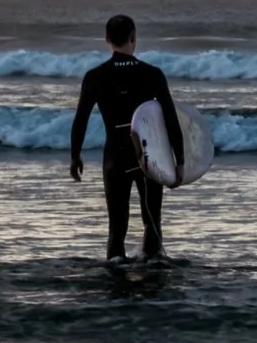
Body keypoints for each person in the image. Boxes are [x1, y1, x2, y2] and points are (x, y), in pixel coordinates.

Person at [70, 14, 184, 262]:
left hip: (115, 156)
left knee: (116, 228)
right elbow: (171, 120)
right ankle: (154, 284)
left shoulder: (95, 76)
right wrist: (180, 161)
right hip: (149, 156)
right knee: (152, 222)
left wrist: (75, 156)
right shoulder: (152, 74)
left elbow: (81, 119)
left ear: (107, 39)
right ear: (134, 38)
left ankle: (115, 284)